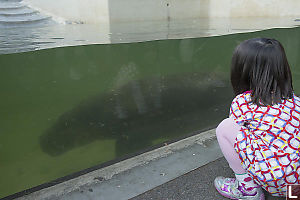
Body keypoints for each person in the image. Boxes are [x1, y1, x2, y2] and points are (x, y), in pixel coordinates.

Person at [214, 38, 300, 200]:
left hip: (276, 184)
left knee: (225, 128)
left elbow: (239, 138)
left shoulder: (242, 102)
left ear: (241, 71)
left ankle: (248, 189)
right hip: (296, 188)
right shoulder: (294, 100)